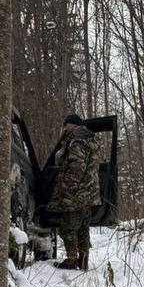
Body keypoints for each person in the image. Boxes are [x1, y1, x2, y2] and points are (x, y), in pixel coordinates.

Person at [47, 113, 101, 270]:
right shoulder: (90, 140)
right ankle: (83, 260)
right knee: (83, 227)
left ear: (72, 125)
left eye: (66, 125)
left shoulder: (76, 141)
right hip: (89, 193)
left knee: (68, 226)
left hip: (75, 193)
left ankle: (71, 259)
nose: (64, 128)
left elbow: (76, 167)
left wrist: (67, 190)